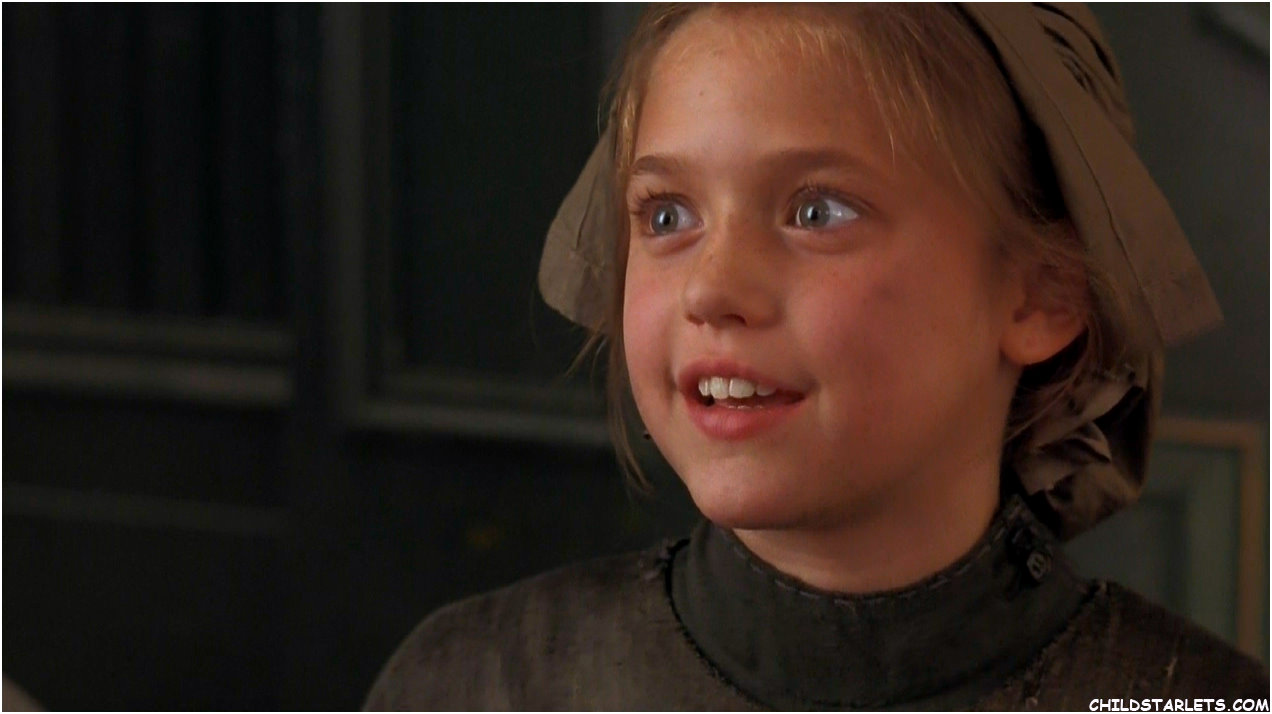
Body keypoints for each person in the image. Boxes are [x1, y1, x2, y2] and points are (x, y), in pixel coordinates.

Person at [365, 4, 1269, 709]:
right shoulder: (472, 687)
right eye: (667, 215)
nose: (710, 288)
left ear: (1042, 297)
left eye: (817, 212)